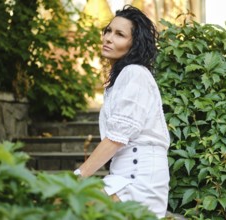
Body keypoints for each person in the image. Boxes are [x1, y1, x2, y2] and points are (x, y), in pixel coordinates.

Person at [74, 5, 170, 218]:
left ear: (133, 44)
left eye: (119, 34)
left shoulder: (134, 73)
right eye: (108, 31)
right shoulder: (123, 77)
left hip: (139, 178)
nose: (108, 38)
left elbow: (116, 138)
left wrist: (77, 177)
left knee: (71, 202)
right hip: (127, 174)